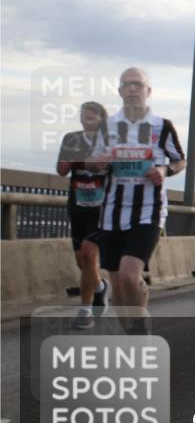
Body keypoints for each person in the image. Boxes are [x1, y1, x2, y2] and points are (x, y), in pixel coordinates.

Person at [88, 68, 185, 321]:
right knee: (118, 286)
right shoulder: (108, 126)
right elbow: (91, 162)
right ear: (120, 91)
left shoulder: (162, 126)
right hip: (111, 213)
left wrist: (165, 170)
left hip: (148, 211)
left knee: (130, 276)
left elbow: (180, 160)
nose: (132, 89)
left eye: (137, 84)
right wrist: (99, 162)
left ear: (148, 91)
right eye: (126, 85)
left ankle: (141, 329)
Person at [57, 101, 111, 329]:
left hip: (101, 208)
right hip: (78, 205)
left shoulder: (109, 141)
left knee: (89, 254)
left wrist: (96, 163)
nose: (84, 120)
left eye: (89, 117)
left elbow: (109, 166)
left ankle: (85, 310)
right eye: (82, 117)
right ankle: (100, 287)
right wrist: (73, 161)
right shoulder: (71, 139)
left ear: (101, 120)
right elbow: (61, 170)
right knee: (83, 262)